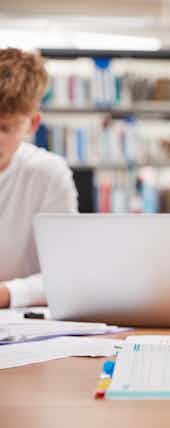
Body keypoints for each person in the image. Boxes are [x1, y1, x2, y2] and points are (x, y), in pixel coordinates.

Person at [0, 48, 78, 308]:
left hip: (25, 324)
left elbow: (67, 275)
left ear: (32, 124)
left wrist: (7, 293)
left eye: (5, 128)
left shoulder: (49, 173)